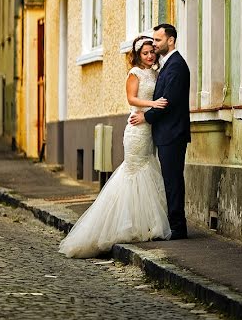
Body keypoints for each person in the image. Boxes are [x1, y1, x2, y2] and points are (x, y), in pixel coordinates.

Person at [59, 35, 172, 258]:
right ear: (138, 55)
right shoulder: (135, 74)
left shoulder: (155, 72)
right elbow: (131, 99)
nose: (149, 56)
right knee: (134, 172)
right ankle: (127, 224)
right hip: (136, 131)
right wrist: (152, 105)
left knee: (148, 169)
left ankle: (146, 223)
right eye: (145, 53)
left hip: (148, 128)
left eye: (152, 52)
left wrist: (151, 114)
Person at [128, 23, 191, 240]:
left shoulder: (176, 66)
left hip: (173, 133)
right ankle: (170, 223)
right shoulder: (166, 65)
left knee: (173, 180)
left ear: (170, 40)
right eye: (152, 41)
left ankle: (177, 227)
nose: (154, 45)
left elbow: (168, 102)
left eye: (157, 40)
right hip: (164, 133)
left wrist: (146, 116)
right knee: (169, 179)